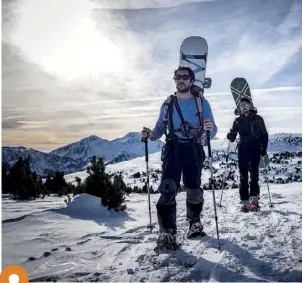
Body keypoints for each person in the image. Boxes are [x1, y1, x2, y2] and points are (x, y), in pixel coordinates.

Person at [141, 66, 217, 250]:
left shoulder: (201, 103)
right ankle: (167, 232)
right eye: (178, 77)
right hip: (173, 149)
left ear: (191, 81)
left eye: (184, 77)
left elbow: (213, 131)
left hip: (193, 149)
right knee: (168, 188)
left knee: (193, 188)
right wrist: (150, 134)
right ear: (174, 80)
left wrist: (209, 128)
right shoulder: (167, 104)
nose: (181, 80)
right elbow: (159, 129)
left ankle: (194, 223)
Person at [226, 97, 268, 212]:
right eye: (241, 105)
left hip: (255, 148)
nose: (243, 106)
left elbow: (264, 134)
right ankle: (244, 202)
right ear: (239, 107)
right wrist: (231, 135)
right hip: (243, 149)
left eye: (246, 104)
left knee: (254, 174)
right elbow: (233, 135)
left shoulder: (258, 119)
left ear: (251, 105)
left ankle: (254, 200)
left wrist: (264, 148)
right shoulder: (237, 120)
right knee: (243, 176)